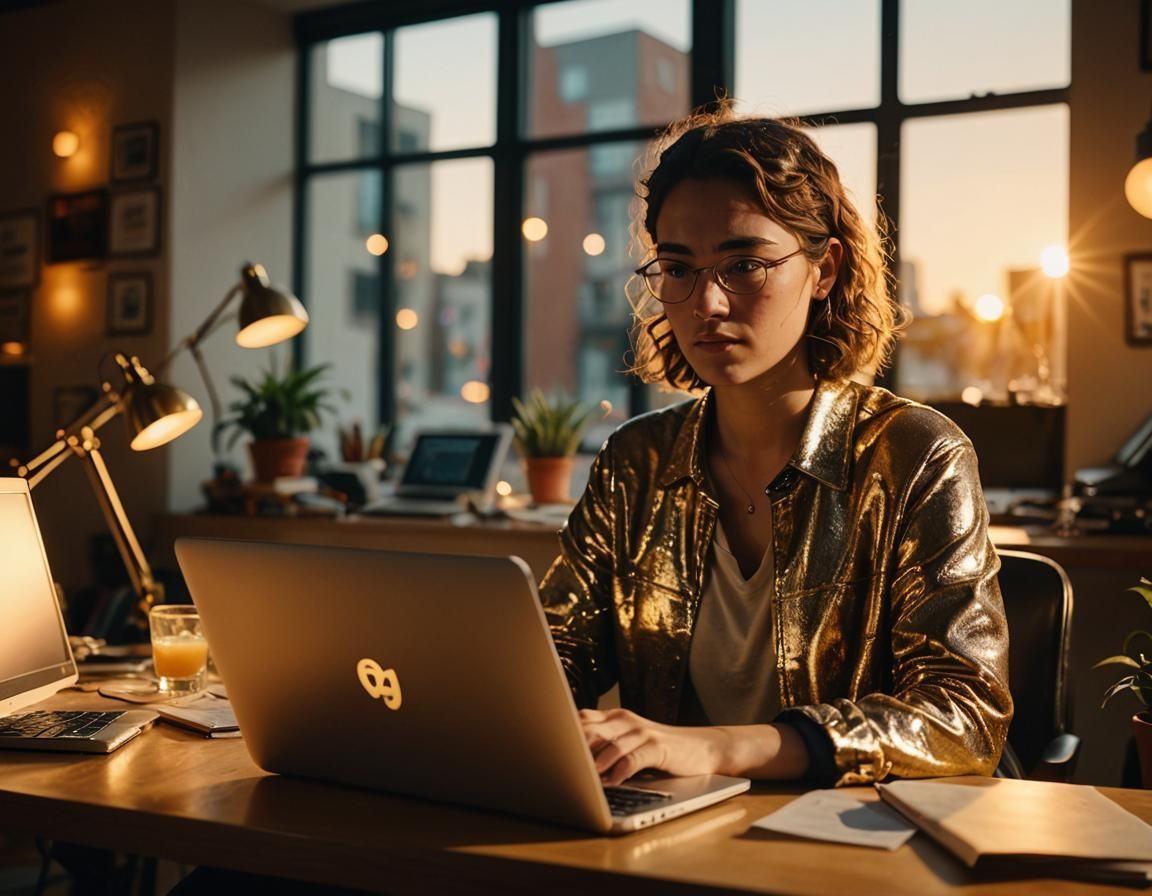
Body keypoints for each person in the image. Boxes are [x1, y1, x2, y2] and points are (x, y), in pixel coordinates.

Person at [537, 106, 1013, 789]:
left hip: (848, 850)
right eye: (678, 267)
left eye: (745, 264)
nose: (708, 303)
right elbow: (556, 654)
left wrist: (721, 749)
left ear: (824, 270)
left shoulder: (916, 456)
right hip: (665, 839)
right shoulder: (633, 462)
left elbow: (963, 712)